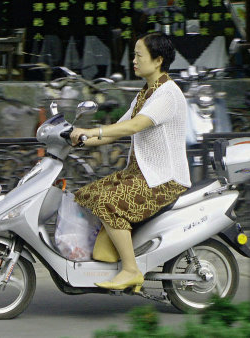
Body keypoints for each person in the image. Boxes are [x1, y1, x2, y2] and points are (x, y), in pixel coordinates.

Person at [70, 32, 191, 291]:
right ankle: (105, 254)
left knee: (107, 201)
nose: (133, 60)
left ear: (157, 60)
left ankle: (130, 269)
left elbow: (133, 126)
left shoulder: (167, 94)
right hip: (141, 174)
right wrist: (81, 139)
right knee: (87, 193)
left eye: (139, 55)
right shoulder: (145, 93)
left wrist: (92, 132)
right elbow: (118, 127)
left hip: (163, 180)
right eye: (134, 55)